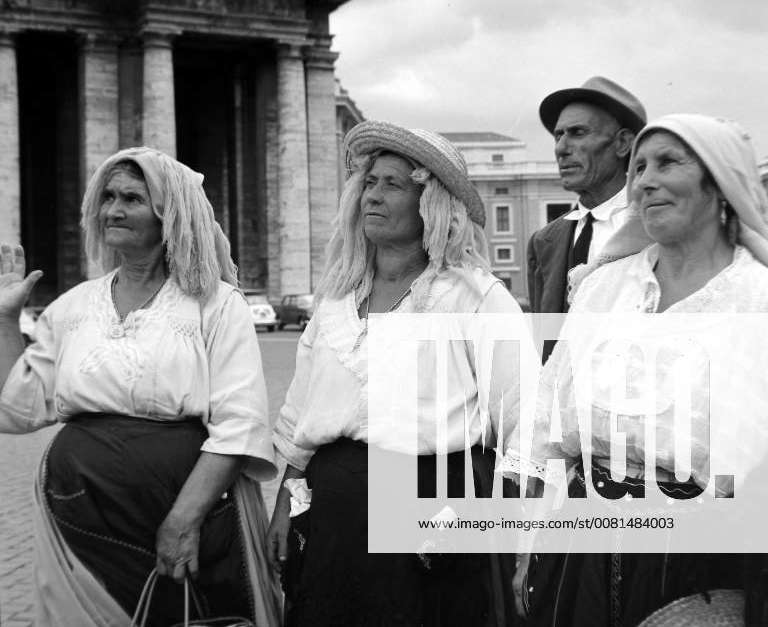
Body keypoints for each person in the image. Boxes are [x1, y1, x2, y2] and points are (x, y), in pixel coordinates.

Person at [0, 147, 281, 626]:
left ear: (168, 213)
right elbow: (17, 409)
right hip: (78, 515)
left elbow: (240, 424)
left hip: (181, 512)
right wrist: (5, 318)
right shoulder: (73, 306)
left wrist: (183, 520)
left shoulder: (215, 304)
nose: (113, 209)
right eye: (107, 196)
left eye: (131, 197)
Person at [266, 121, 527, 626]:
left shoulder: (473, 296)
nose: (373, 196)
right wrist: (286, 500)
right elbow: (302, 414)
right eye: (369, 182)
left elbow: (521, 418)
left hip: (434, 505)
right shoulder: (336, 302)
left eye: (393, 184)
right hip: (334, 509)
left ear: (430, 202)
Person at [511, 114, 768, 625]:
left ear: (720, 184)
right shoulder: (604, 290)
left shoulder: (756, 298)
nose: (645, 179)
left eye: (668, 162)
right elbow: (548, 426)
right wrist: (530, 542)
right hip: (579, 553)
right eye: (640, 167)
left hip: (705, 564)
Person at [527, 76, 646, 316]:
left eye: (577, 133)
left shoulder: (653, 230)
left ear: (622, 143)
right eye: (558, 135)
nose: (561, 148)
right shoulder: (543, 242)